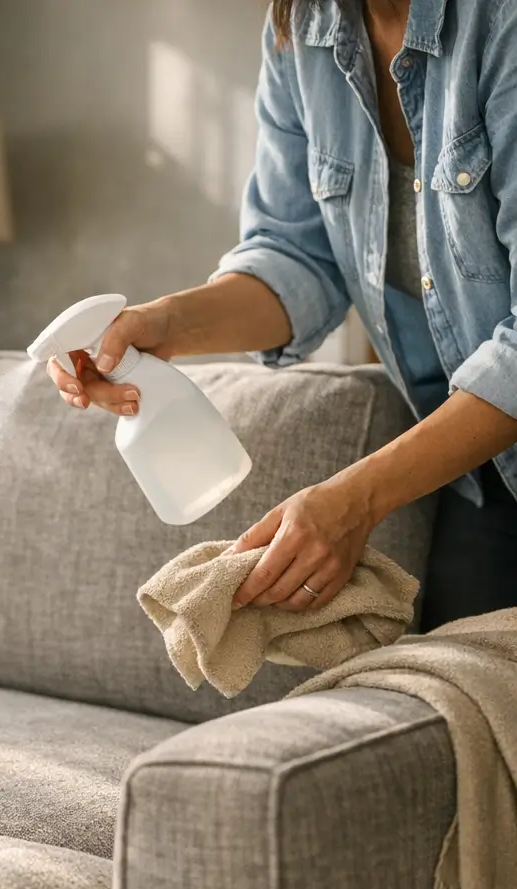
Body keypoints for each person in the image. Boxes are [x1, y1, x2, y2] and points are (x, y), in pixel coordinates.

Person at [47, 0, 517, 632]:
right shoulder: (305, 30)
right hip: (478, 469)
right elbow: (297, 258)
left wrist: (357, 499)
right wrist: (164, 324)